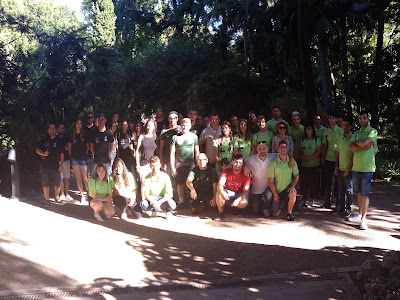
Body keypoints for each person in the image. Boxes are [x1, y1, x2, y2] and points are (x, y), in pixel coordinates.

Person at [348, 111, 377, 230]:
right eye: (360, 118)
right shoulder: (356, 132)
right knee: (358, 193)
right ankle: (360, 214)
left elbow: (365, 142)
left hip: (367, 168)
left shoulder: (372, 131)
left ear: (368, 119)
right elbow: (350, 147)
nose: (362, 120)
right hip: (356, 167)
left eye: (364, 118)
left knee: (365, 194)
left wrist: (358, 144)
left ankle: (364, 219)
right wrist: (364, 145)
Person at [170, 118, 200, 206]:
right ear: (180, 125)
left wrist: (198, 166)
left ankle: (192, 201)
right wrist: (172, 167)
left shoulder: (194, 137)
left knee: (191, 182)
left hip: (191, 163)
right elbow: (172, 153)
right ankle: (182, 201)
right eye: (183, 125)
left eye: (186, 125)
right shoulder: (175, 137)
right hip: (179, 163)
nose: (184, 127)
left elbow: (197, 152)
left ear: (190, 126)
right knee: (180, 183)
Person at [244, 142, 278, 216]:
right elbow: (241, 162)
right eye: (260, 149)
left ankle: (266, 207)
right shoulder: (251, 160)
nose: (262, 151)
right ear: (256, 149)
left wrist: (291, 159)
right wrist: (245, 167)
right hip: (256, 190)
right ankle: (262, 203)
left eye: (264, 149)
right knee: (255, 211)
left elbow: (284, 156)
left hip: (268, 188)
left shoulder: (273, 156)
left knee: (269, 194)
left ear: (267, 149)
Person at [268, 141, 299, 221]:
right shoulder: (273, 163)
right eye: (281, 147)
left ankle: (289, 213)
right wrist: (275, 194)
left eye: (285, 147)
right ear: (278, 149)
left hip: (287, 189)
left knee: (293, 192)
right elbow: (270, 181)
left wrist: (293, 186)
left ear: (287, 149)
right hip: (277, 191)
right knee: (275, 214)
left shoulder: (292, 162)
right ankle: (280, 204)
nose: (283, 149)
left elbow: (296, 176)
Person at [214, 153, 250, 220]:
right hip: (228, 192)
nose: (237, 164)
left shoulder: (246, 173)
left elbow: (246, 191)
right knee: (219, 193)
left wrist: (238, 200)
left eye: (240, 162)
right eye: (236, 162)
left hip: (239, 193)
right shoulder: (226, 171)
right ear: (232, 162)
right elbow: (220, 184)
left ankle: (238, 209)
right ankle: (221, 213)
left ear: (242, 164)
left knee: (243, 203)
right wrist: (222, 193)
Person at [36, 124, 64, 208]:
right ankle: (47, 200)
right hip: (45, 165)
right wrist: (43, 153)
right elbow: (37, 150)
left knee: (57, 183)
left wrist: (61, 165)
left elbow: (62, 153)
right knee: (45, 183)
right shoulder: (44, 139)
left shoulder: (58, 140)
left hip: (56, 165)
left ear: (55, 130)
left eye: (53, 129)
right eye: (50, 129)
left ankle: (57, 197)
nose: (51, 130)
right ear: (48, 130)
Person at [321, 112, 343, 209]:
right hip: (328, 159)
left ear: (336, 119)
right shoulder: (326, 131)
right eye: (329, 118)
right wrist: (323, 159)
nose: (331, 120)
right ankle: (327, 201)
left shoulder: (340, 131)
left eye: (332, 118)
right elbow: (324, 146)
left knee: (338, 183)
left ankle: (338, 203)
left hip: (339, 160)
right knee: (328, 182)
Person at [334, 118, 353, 216]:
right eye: (343, 125)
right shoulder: (340, 138)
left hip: (348, 170)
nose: (345, 127)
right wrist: (336, 167)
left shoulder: (352, 138)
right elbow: (338, 153)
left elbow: (354, 155)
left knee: (349, 190)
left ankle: (348, 208)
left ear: (350, 127)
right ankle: (341, 208)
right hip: (340, 168)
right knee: (340, 190)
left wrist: (348, 169)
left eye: (347, 126)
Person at [300, 123, 322, 207]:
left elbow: (319, 151)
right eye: (307, 129)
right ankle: (303, 198)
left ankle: (311, 199)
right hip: (304, 165)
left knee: (313, 183)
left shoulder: (316, 139)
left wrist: (310, 158)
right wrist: (302, 156)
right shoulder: (303, 139)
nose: (308, 131)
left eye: (310, 129)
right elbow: (301, 150)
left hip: (314, 164)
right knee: (304, 183)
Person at [68, 119, 89, 204]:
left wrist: (84, 155)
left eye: (80, 123)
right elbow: (69, 148)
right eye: (77, 123)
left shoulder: (84, 135)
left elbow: (87, 147)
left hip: (83, 159)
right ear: (75, 125)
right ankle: (82, 195)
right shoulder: (72, 135)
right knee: (78, 178)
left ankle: (88, 194)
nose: (78, 125)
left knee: (85, 178)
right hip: (75, 159)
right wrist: (73, 156)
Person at [57, 123, 72, 201]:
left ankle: (67, 194)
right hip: (58, 160)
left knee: (67, 178)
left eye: (62, 128)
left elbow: (68, 148)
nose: (61, 129)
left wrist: (65, 148)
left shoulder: (67, 137)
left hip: (67, 159)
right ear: (57, 129)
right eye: (60, 128)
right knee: (61, 178)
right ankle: (62, 194)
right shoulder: (56, 138)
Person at [313, 113, 327, 199]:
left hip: (324, 155)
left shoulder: (325, 130)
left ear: (321, 120)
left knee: (324, 176)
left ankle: (322, 193)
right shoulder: (312, 130)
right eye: (315, 119)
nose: (317, 121)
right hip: (314, 156)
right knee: (316, 176)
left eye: (318, 119)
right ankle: (316, 192)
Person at [85, 112, 97, 177]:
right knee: (86, 173)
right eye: (88, 117)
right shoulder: (83, 129)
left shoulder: (96, 128)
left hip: (94, 153)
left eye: (91, 117)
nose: (90, 119)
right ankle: (86, 187)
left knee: (94, 172)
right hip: (85, 153)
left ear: (93, 118)